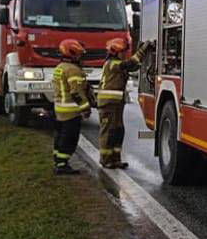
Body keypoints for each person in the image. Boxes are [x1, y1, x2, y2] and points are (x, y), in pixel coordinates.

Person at [97, 38, 151, 169]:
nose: (123, 54)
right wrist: (142, 50)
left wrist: (144, 58)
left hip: (116, 104)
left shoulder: (117, 63)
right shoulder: (111, 63)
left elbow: (132, 66)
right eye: (122, 52)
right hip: (108, 104)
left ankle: (115, 159)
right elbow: (129, 63)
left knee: (118, 131)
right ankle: (105, 159)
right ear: (115, 52)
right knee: (108, 132)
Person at [52, 38, 91, 175]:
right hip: (71, 112)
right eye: (79, 55)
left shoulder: (59, 68)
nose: (81, 58)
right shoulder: (73, 70)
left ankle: (58, 161)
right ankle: (62, 165)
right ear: (73, 54)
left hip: (59, 110)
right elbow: (76, 92)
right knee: (69, 139)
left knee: (60, 137)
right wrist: (86, 108)